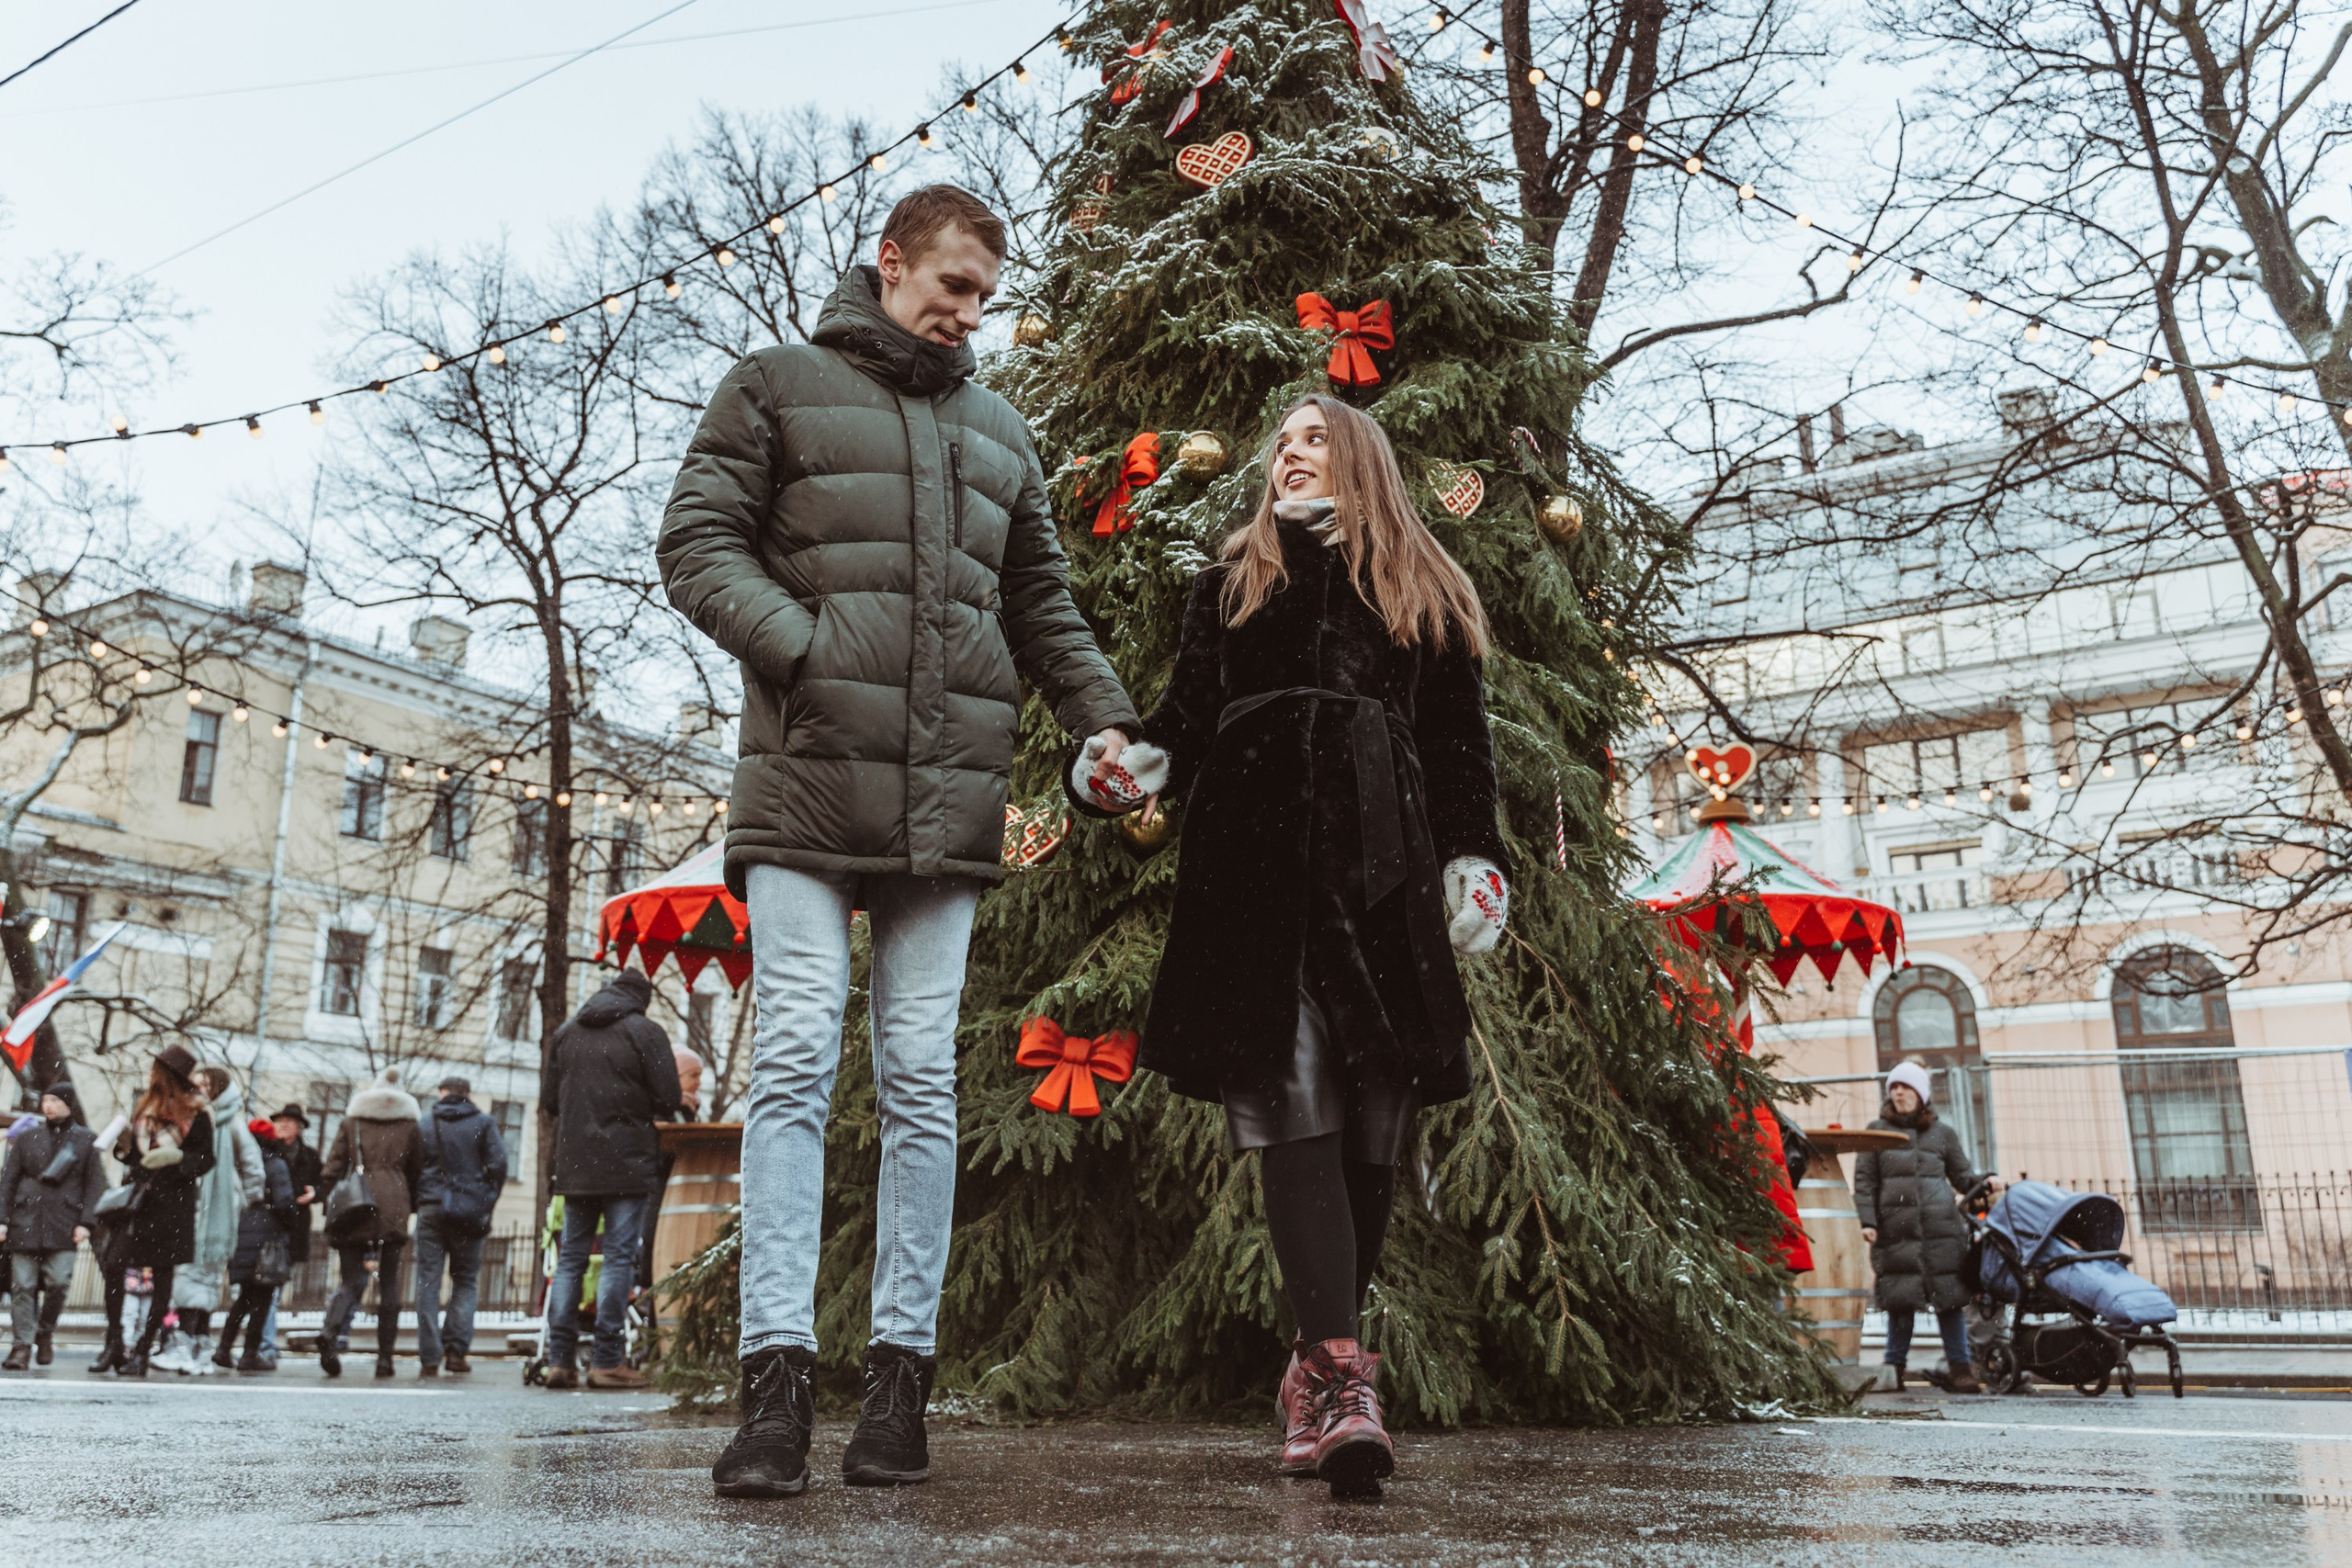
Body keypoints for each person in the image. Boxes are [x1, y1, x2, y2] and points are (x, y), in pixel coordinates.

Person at [659, 183, 1140, 1500]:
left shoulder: (1000, 432)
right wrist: (805, 648)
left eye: (985, 296)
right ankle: (772, 1392)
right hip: (809, 785)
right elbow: (695, 542)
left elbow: (1043, 603)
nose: (968, 312)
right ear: (890, 262)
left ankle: (896, 1391)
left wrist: (1104, 720)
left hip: (950, 797)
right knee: (801, 1054)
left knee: (922, 1078)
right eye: (953, 286)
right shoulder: (774, 384)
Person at [1067, 397, 1509, 1499]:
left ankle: (1316, 1372)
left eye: (1312, 439)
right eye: (1280, 443)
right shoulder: (1228, 585)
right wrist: (1124, 767)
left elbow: (1459, 748)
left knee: (1371, 1121)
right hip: (1254, 874)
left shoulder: (1422, 587)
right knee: (1293, 1090)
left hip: (1383, 869)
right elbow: (1182, 720)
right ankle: (1346, 1380)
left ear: (1359, 462)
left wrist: (1472, 859)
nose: (1288, 455)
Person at [543, 968, 678, 1392]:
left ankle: (559, 1360)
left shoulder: (566, 1034)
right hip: (626, 1160)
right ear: (643, 998)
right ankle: (606, 1360)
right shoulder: (645, 1032)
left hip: (575, 1164)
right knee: (619, 1258)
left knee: (570, 1260)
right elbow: (669, 1098)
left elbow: (550, 1101)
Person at [1855, 1060, 2003, 1393]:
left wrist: (1987, 1181)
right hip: (1896, 1231)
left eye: (1905, 1087)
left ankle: (1961, 1369)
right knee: (1900, 1301)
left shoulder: (1943, 1134)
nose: (1898, 1093)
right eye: (1893, 1087)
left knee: (1949, 1300)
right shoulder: (1876, 1132)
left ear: (1921, 1094)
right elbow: (1865, 1182)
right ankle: (1894, 1369)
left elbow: (1963, 1177)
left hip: (1941, 1229)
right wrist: (1867, 1221)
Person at [101, 1044, 218, 1377]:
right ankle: (114, 1343)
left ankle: (142, 1350)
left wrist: (177, 1159)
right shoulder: (146, 1107)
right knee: (114, 1264)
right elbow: (138, 1160)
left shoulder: (197, 1114)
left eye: (157, 1068)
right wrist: (125, 1150)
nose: (152, 1073)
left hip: (172, 1206)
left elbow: (206, 1159)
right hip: (138, 1203)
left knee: (162, 1277)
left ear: (169, 1076)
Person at [317, 1068, 424, 1380]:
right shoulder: (411, 1126)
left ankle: (329, 1331)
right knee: (389, 1283)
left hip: (356, 1205)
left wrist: (329, 1197)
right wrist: (408, 1203)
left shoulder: (353, 1122)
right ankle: (385, 1359)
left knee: (351, 1280)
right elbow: (418, 1170)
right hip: (393, 1206)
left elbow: (333, 1167)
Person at [158, 1065, 263, 1373]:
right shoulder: (195, 1120)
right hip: (194, 1210)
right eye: (195, 1084)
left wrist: (237, 1200)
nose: (198, 1090)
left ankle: (187, 1347)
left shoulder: (231, 1124)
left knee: (199, 1276)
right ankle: (199, 1348)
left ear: (217, 1088)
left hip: (216, 1213)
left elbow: (253, 1168)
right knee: (197, 1278)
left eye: (204, 1085)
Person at [0, 1083, 103, 1369]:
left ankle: (44, 1334)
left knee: (59, 1282)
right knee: (22, 1286)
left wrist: (86, 1223)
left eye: (55, 1100)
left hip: (64, 1224)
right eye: (45, 1100)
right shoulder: (27, 1138)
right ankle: (21, 1346)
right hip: (24, 1222)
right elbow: (7, 1181)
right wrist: (2, 1219)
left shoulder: (85, 1141)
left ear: (68, 1104)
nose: (48, 1106)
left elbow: (94, 1185)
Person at [413, 1075, 508, 1378]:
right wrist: (485, 1197)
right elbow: (499, 1165)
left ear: (442, 1093)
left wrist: (424, 1196)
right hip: (468, 1209)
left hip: (431, 1207)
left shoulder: (425, 1122)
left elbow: (412, 1166)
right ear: (467, 1094)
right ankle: (456, 1352)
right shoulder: (483, 1123)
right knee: (465, 1280)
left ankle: (429, 1356)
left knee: (428, 1280)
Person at [213, 1117, 297, 1371]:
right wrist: (289, 1221)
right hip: (267, 1238)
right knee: (262, 1298)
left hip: (240, 1233)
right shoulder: (275, 1164)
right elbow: (284, 1204)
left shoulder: (236, 1164)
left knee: (243, 1298)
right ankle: (250, 1353)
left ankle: (224, 1348)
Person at [256, 1103, 321, 1368]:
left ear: (299, 1127)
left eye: (288, 1121)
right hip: (266, 1227)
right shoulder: (265, 1151)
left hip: (293, 1231)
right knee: (265, 1290)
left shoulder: (310, 1157)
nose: (282, 1125)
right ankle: (264, 1343)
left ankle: (264, 1342)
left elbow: (323, 1183)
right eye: (279, 1121)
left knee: (273, 1290)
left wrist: (315, 1193)